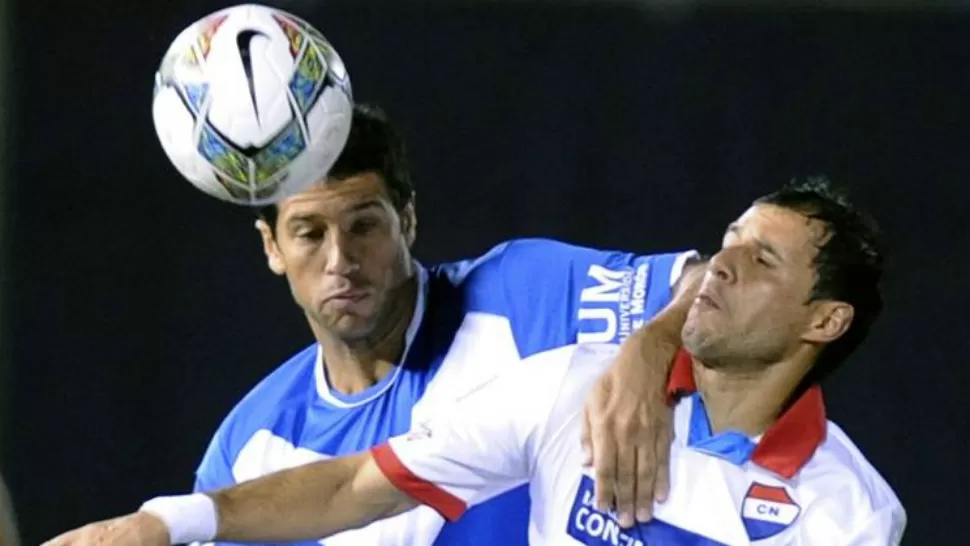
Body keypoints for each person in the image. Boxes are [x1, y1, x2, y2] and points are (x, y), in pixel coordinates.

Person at [43, 177, 907, 546]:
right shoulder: (571, 386)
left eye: (761, 262)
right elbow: (350, 489)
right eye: (728, 242)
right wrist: (165, 522)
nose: (721, 265)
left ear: (825, 319)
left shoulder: (848, 514)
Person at [61, 103, 701, 546]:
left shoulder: (521, 292)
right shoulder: (252, 445)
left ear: (408, 220)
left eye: (364, 225)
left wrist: (652, 345)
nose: (341, 261)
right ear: (271, 247)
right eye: (309, 233)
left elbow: (710, 282)